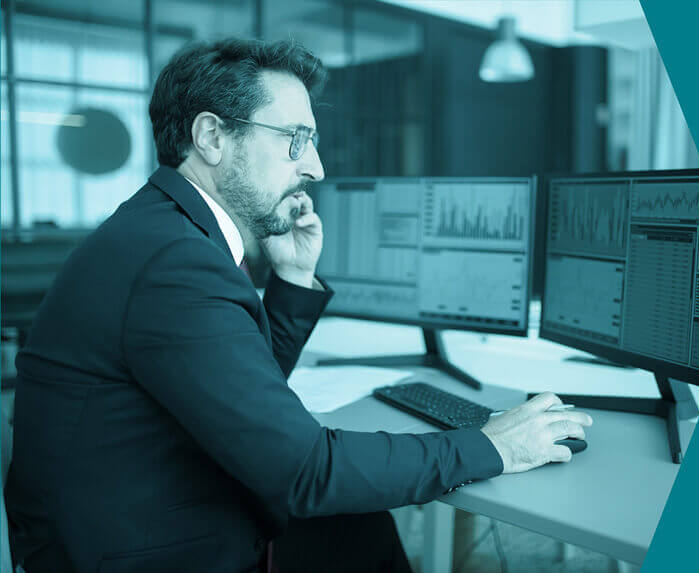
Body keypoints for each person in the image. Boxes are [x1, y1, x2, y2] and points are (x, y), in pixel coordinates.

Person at [5, 38, 592, 573]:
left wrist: (290, 276)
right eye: (296, 140)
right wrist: (492, 445)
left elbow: (239, 397)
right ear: (212, 137)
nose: (316, 167)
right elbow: (305, 472)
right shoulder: (174, 263)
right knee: (351, 522)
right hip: (139, 549)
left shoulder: (162, 230)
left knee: (362, 528)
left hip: (128, 512)